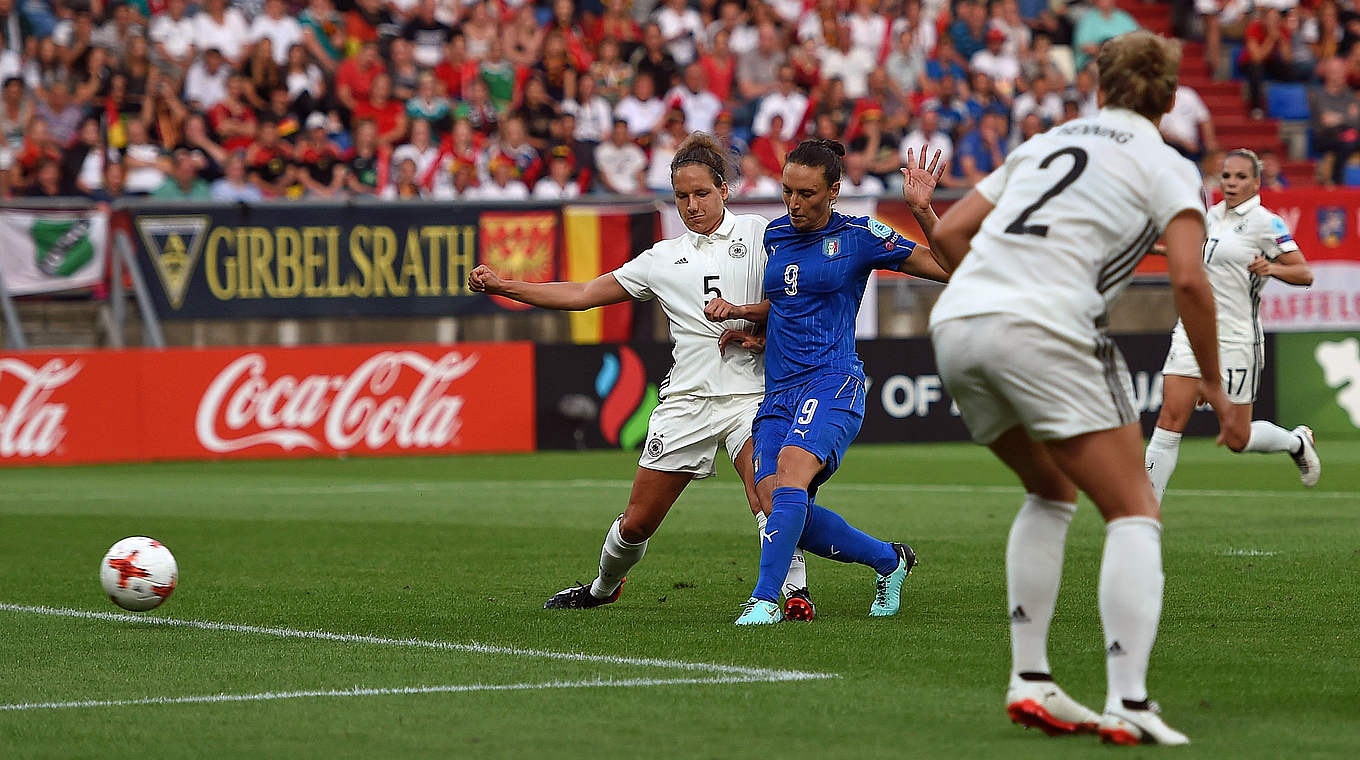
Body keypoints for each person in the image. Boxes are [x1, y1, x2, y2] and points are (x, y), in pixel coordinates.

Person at [925, 31, 1249, 745]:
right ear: (1167, 99)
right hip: (1045, 326)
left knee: (1050, 489)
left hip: (957, 322)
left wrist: (994, 294)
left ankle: (1032, 679)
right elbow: (1190, 279)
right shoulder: (1166, 163)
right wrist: (1220, 391)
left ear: (1096, 87)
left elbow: (948, 234)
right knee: (1135, 507)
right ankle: (1129, 701)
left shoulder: (1044, 142)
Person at [468, 133, 815, 614]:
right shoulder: (661, 259)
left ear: (724, 190)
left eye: (702, 194)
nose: (691, 205)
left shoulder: (763, 235)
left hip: (752, 397)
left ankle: (792, 592)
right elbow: (582, 294)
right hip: (686, 403)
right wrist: (506, 285)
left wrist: (761, 327)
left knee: (770, 497)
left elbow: (802, 297)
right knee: (636, 524)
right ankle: (603, 588)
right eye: (681, 197)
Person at [717, 140, 951, 625]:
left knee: (791, 473)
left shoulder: (861, 235)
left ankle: (764, 600)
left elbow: (949, 267)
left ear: (834, 191)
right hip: (779, 390)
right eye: (787, 192)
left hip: (833, 382)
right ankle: (890, 559)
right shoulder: (776, 236)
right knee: (773, 502)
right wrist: (751, 324)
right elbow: (788, 301)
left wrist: (923, 211)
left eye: (806, 194)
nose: (794, 204)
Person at [1145, 149, 1319, 501]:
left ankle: (1296, 441)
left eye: (1241, 177)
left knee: (1237, 438)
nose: (1232, 183)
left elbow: (1304, 273)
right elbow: (1197, 254)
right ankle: (1144, 517)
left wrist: (1273, 269)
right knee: (1170, 417)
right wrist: (1156, 248)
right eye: (1227, 176)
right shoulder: (1210, 216)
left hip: (1238, 337)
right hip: (1193, 330)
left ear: (1256, 182)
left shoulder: (1265, 222)